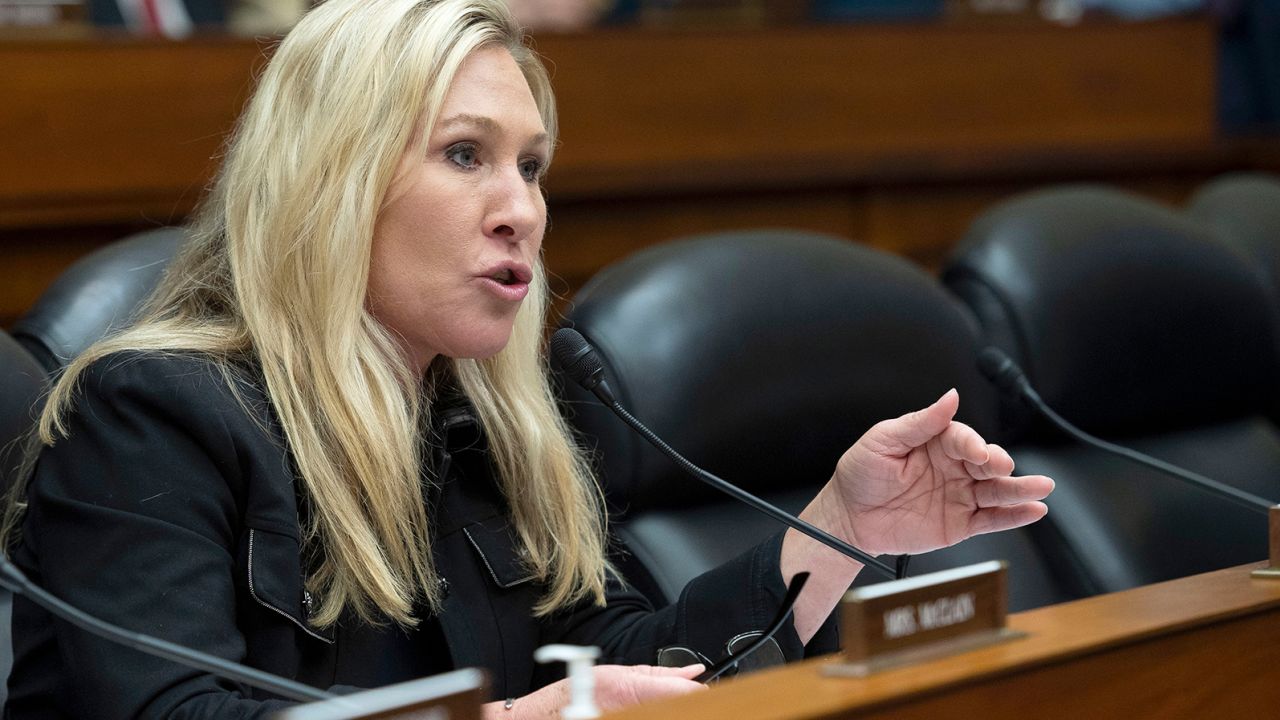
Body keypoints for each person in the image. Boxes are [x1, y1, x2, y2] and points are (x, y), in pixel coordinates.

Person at [0, 0, 1055, 717]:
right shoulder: (151, 416)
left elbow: (618, 667)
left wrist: (838, 527)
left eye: (532, 166)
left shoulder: (479, 424)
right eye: (466, 156)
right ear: (331, 179)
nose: (522, 211)